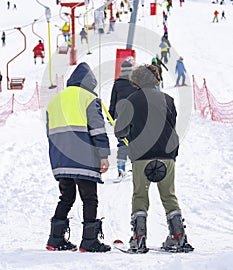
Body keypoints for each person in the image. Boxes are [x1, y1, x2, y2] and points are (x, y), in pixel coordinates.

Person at [114, 64, 193, 253]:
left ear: (136, 81)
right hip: (167, 154)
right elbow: (172, 123)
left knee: (140, 196)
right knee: (169, 196)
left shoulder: (131, 101)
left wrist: (128, 136)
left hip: (141, 155)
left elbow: (119, 130)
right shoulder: (168, 99)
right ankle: (178, 237)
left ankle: (139, 239)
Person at [46, 62, 111, 253]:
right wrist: (103, 155)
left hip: (61, 158)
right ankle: (89, 240)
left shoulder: (55, 101)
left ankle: (55, 239)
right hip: (83, 158)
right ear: (89, 82)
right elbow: (97, 128)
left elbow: (49, 133)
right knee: (89, 198)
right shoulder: (89, 98)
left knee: (66, 197)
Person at [108, 60, 137, 178]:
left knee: (122, 142)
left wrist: (111, 116)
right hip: (135, 117)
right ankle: (136, 167)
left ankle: (121, 168)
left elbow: (113, 102)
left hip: (122, 118)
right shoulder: (136, 83)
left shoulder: (117, 84)